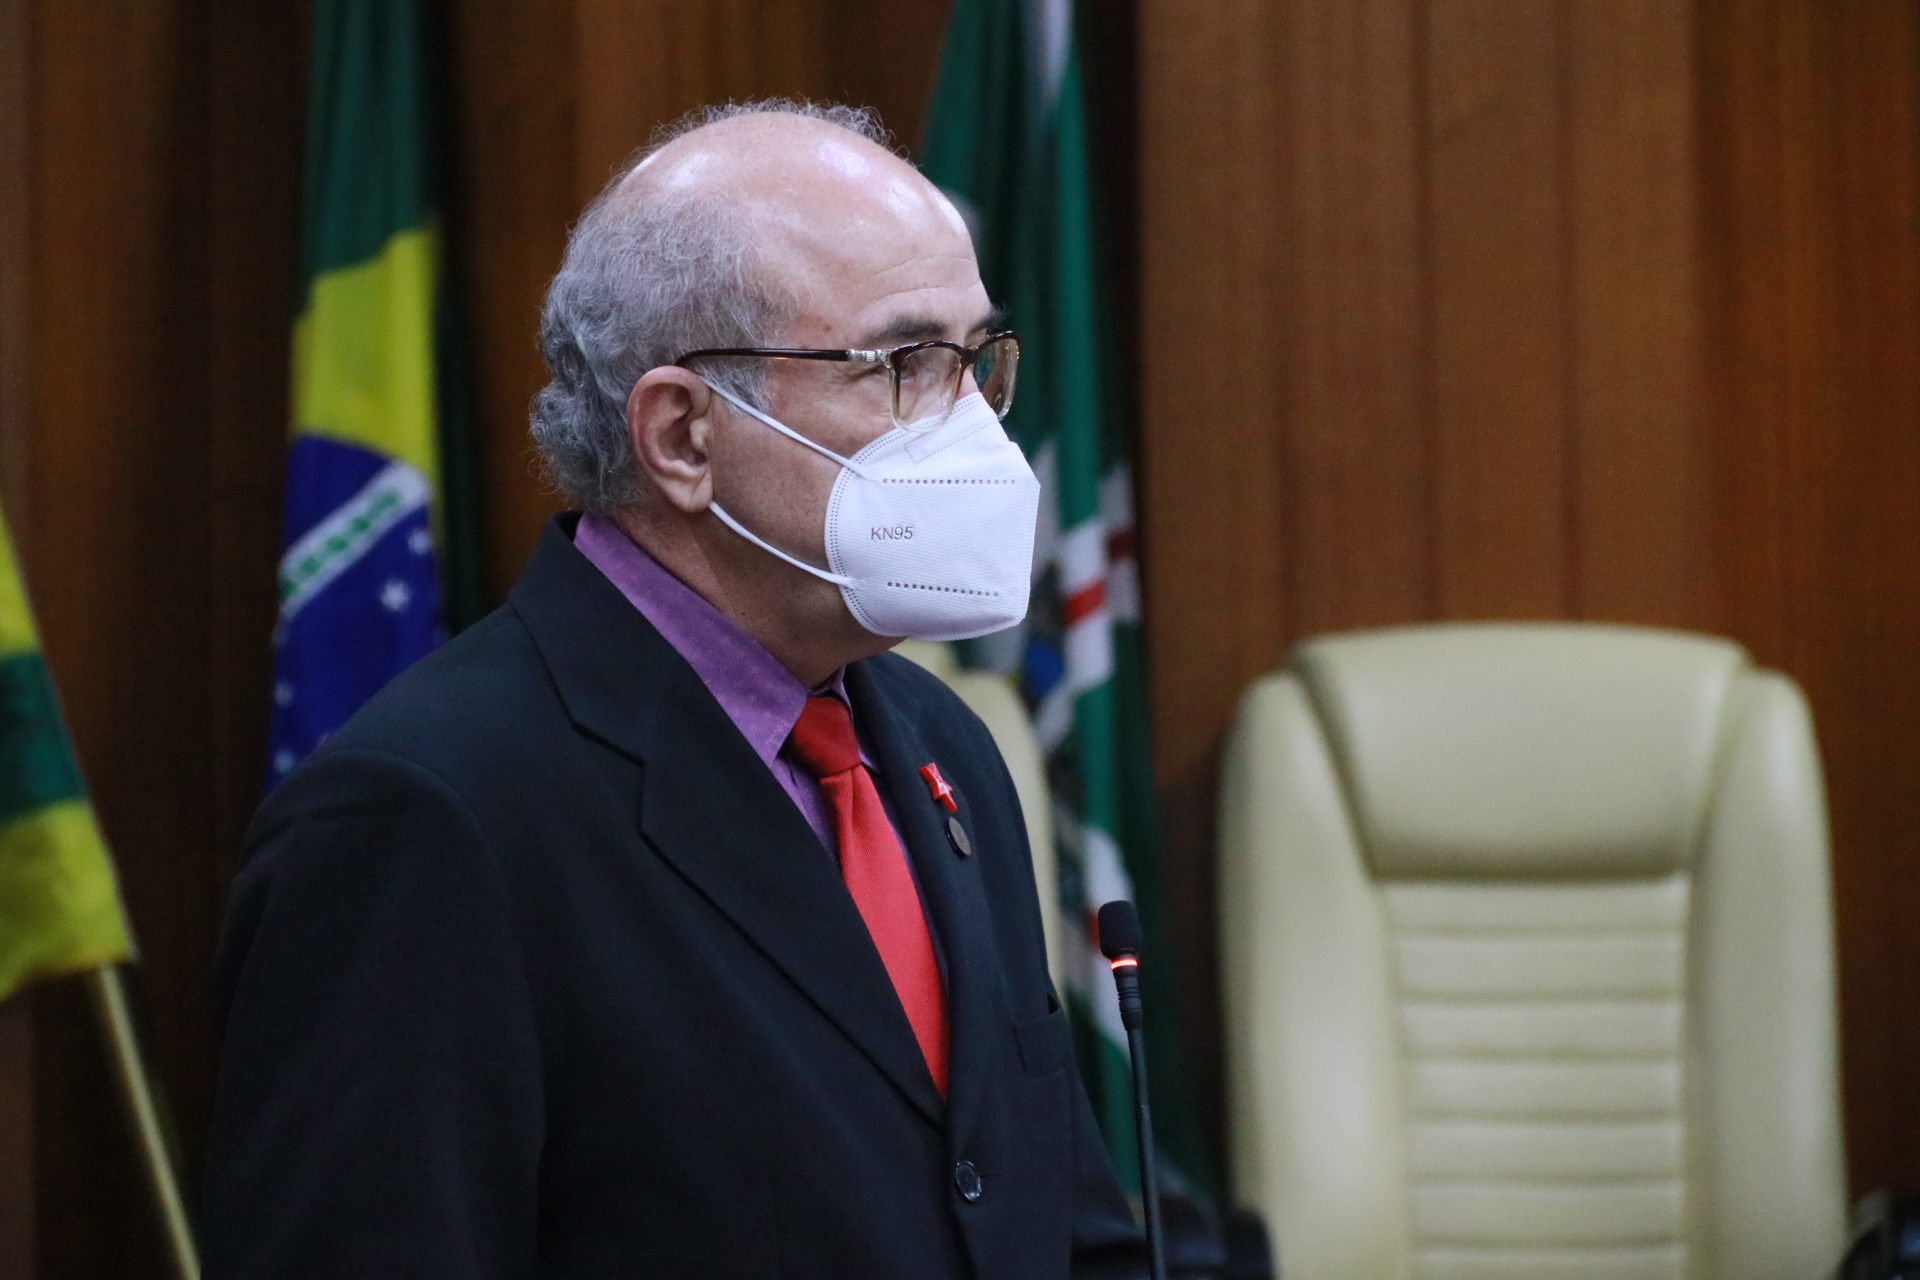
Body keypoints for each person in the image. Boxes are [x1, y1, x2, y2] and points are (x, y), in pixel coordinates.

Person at [203, 101, 1147, 1279]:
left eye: (977, 362)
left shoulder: (940, 743)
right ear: (684, 435)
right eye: (904, 365)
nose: (970, 429)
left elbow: (1057, 1227)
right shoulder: (425, 816)